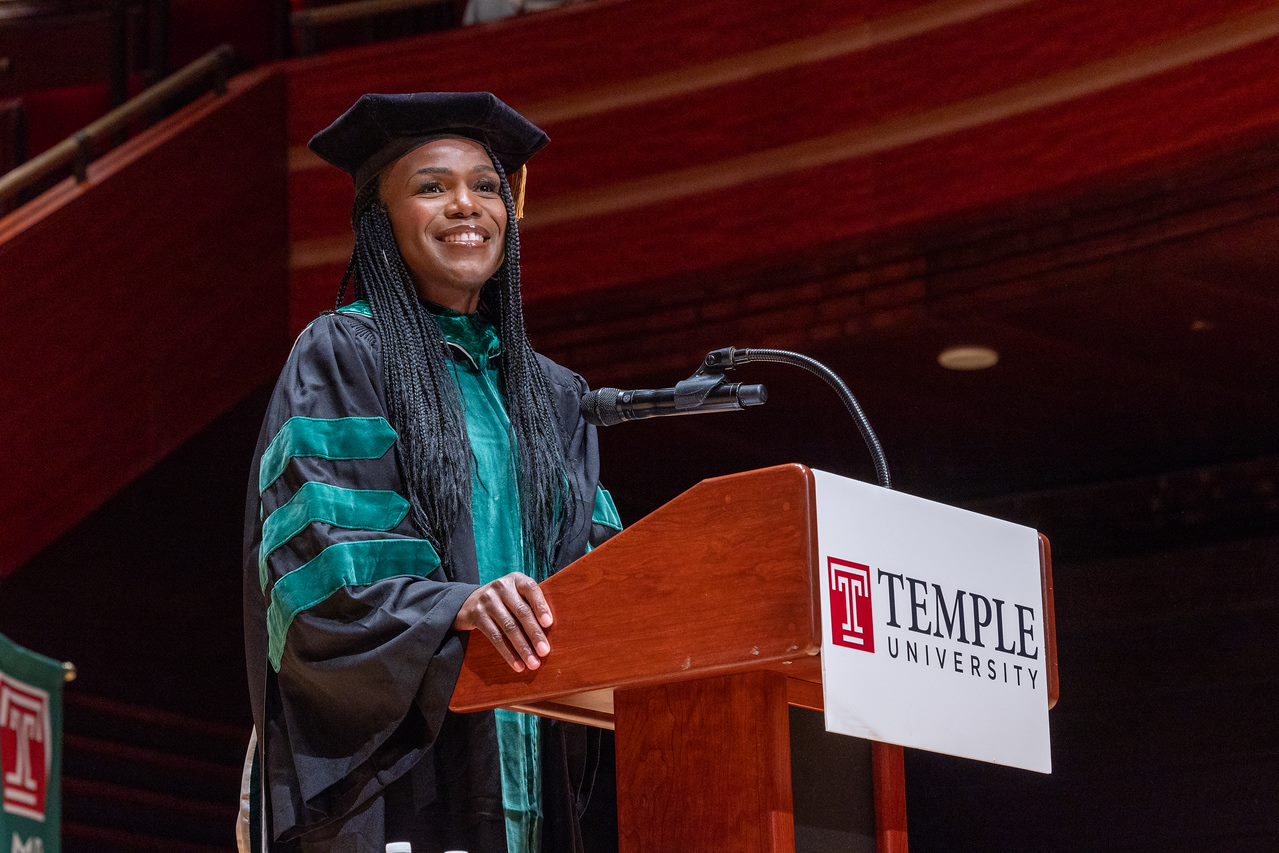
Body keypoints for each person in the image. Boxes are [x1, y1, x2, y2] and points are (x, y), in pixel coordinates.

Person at [239, 92, 622, 852]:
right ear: (380, 222)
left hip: (538, 751)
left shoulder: (554, 392)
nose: (465, 205)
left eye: (484, 186)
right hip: (401, 779)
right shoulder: (343, 354)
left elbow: (597, 567)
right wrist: (456, 606)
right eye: (430, 187)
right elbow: (326, 567)